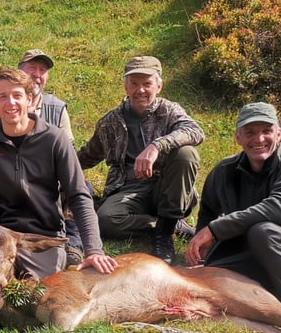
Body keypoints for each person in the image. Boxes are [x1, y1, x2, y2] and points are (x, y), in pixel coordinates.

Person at [0, 68, 117, 289]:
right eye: (2, 97)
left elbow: (79, 195)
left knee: (37, 285)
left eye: (17, 96)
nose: (11, 103)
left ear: (30, 100)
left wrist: (94, 250)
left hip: (41, 235)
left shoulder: (55, 139)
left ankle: (60, 256)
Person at [185, 102, 281, 329]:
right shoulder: (224, 171)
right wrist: (203, 253)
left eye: (266, 131)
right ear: (238, 137)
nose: (259, 139)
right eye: (250, 132)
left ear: (279, 133)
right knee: (201, 276)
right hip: (249, 251)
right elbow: (207, 212)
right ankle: (270, 294)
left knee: (264, 231)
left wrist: (216, 229)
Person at [77, 55, 204, 264]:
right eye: (134, 84)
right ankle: (168, 225)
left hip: (167, 187)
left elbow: (195, 131)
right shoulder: (110, 122)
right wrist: (55, 165)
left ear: (159, 86)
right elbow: (88, 155)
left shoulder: (170, 111)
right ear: (126, 86)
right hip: (128, 189)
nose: (140, 90)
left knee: (186, 154)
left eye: (147, 84)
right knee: (106, 220)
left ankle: (164, 237)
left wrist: (157, 146)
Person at [0, 49, 72, 139]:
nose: (37, 74)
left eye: (42, 70)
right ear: (19, 72)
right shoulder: (2, 101)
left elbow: (68, 146)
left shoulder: (57, 109)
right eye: (32, 67)